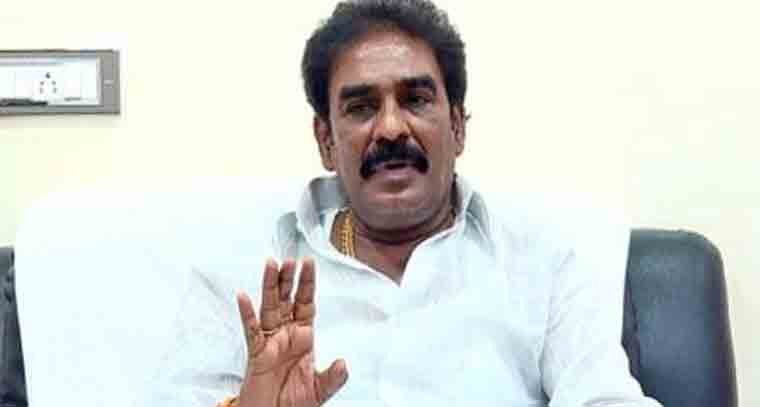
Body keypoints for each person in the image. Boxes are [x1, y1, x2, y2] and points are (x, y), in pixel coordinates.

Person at [153, 1, 662, 406]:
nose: (391, 128)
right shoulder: (245, 273)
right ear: (326, 141)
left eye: (415, 100)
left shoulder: (542, 260)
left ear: (457, 126)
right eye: (361, 107)